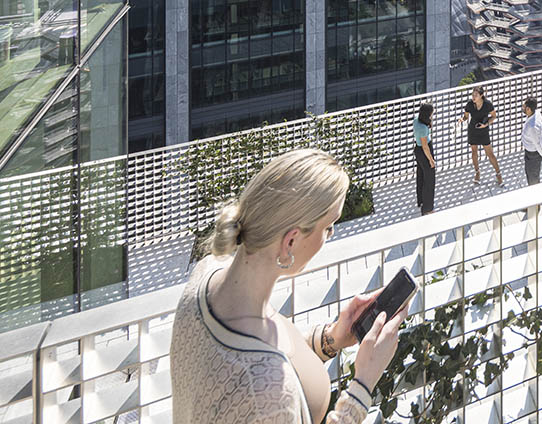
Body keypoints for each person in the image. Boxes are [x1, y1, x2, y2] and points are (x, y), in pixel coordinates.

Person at [170, 149, 407, 424]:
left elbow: (263, 354)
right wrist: (364, 384)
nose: (330, 236)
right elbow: (258, 379)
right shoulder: (267, 390)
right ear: (290, 242)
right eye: (328, 227)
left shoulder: (208, 274)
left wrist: (331, 339)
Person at [460, 86, 502, 185]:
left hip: (483, 130)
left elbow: (494, 116)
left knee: (490, 154)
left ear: (481, 95)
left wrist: (486, 124)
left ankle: (498, 174)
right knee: (474, 152)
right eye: (472, 95)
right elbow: (466, 116)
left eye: (476, 95)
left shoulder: (487, 104)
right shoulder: (470, 104)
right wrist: (462, 119)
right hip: (472, 130)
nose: (473, 97)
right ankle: (477, 172)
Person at [520, 96, 542, 185]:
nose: (522, 108)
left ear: (528, 109)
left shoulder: (532, 126)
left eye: (524, 106)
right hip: (531, 153)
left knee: (532, 177)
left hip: (532, 155)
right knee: (531, 173)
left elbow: (537, 144)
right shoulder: (537, 114)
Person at [414, 103, 436, 215]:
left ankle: (421, 201)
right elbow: (425, 146)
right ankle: (428, 208)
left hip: (417, 150)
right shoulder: (423, 128)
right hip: (424, 152)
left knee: (421, 176)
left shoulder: (416, 120)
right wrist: (431, 160)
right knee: (429, 180)